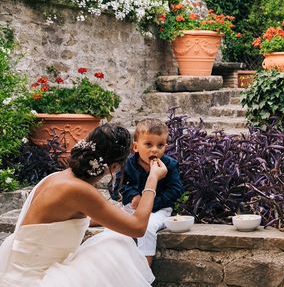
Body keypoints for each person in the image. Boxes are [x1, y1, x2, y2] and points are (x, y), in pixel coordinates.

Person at [0, 123, 167, 287]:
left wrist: (114, 217)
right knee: (117, 243)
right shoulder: (79, 190)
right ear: (114, 167)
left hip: (17, 270)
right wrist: (152, 179)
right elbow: (137, 228)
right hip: (34, 280)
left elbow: (64, 223)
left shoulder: (59, 177)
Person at [116, 118, 182, 265]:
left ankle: (144, 269)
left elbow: (175, 190)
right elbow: (117, 186)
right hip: (132, 206)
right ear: (136, 147)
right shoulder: (128, 164)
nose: (154, 150)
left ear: (166, 146)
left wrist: (152, 204)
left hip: (159, 209)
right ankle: (120, 265)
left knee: (148, 227)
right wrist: (133, 194)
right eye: (148, 144)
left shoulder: (169, 165)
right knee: (115, 224)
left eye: (160, 145)